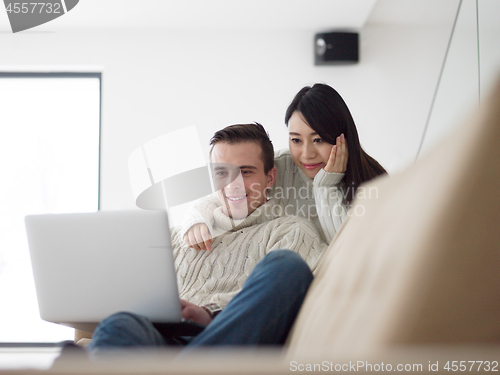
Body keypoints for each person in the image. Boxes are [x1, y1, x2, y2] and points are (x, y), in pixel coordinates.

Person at [87, 123, 326, 353]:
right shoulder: (174, 236)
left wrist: (211, 312)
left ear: (270, 178)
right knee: (118, 325)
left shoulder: (291, 231)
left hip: (228, 341)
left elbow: (289, 299)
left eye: (245, 172)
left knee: (288, 267)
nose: (233, 185)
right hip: (160, 343)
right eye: (222, 173)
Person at [182, 83, 387, 249]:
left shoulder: (373, 184)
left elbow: (344, 251)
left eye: (318, 140)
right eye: (296, 140)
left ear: (341, 137)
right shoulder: (281, 165)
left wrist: (326, 186)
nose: (306, 154)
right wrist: (197, 221)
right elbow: (218, 198)